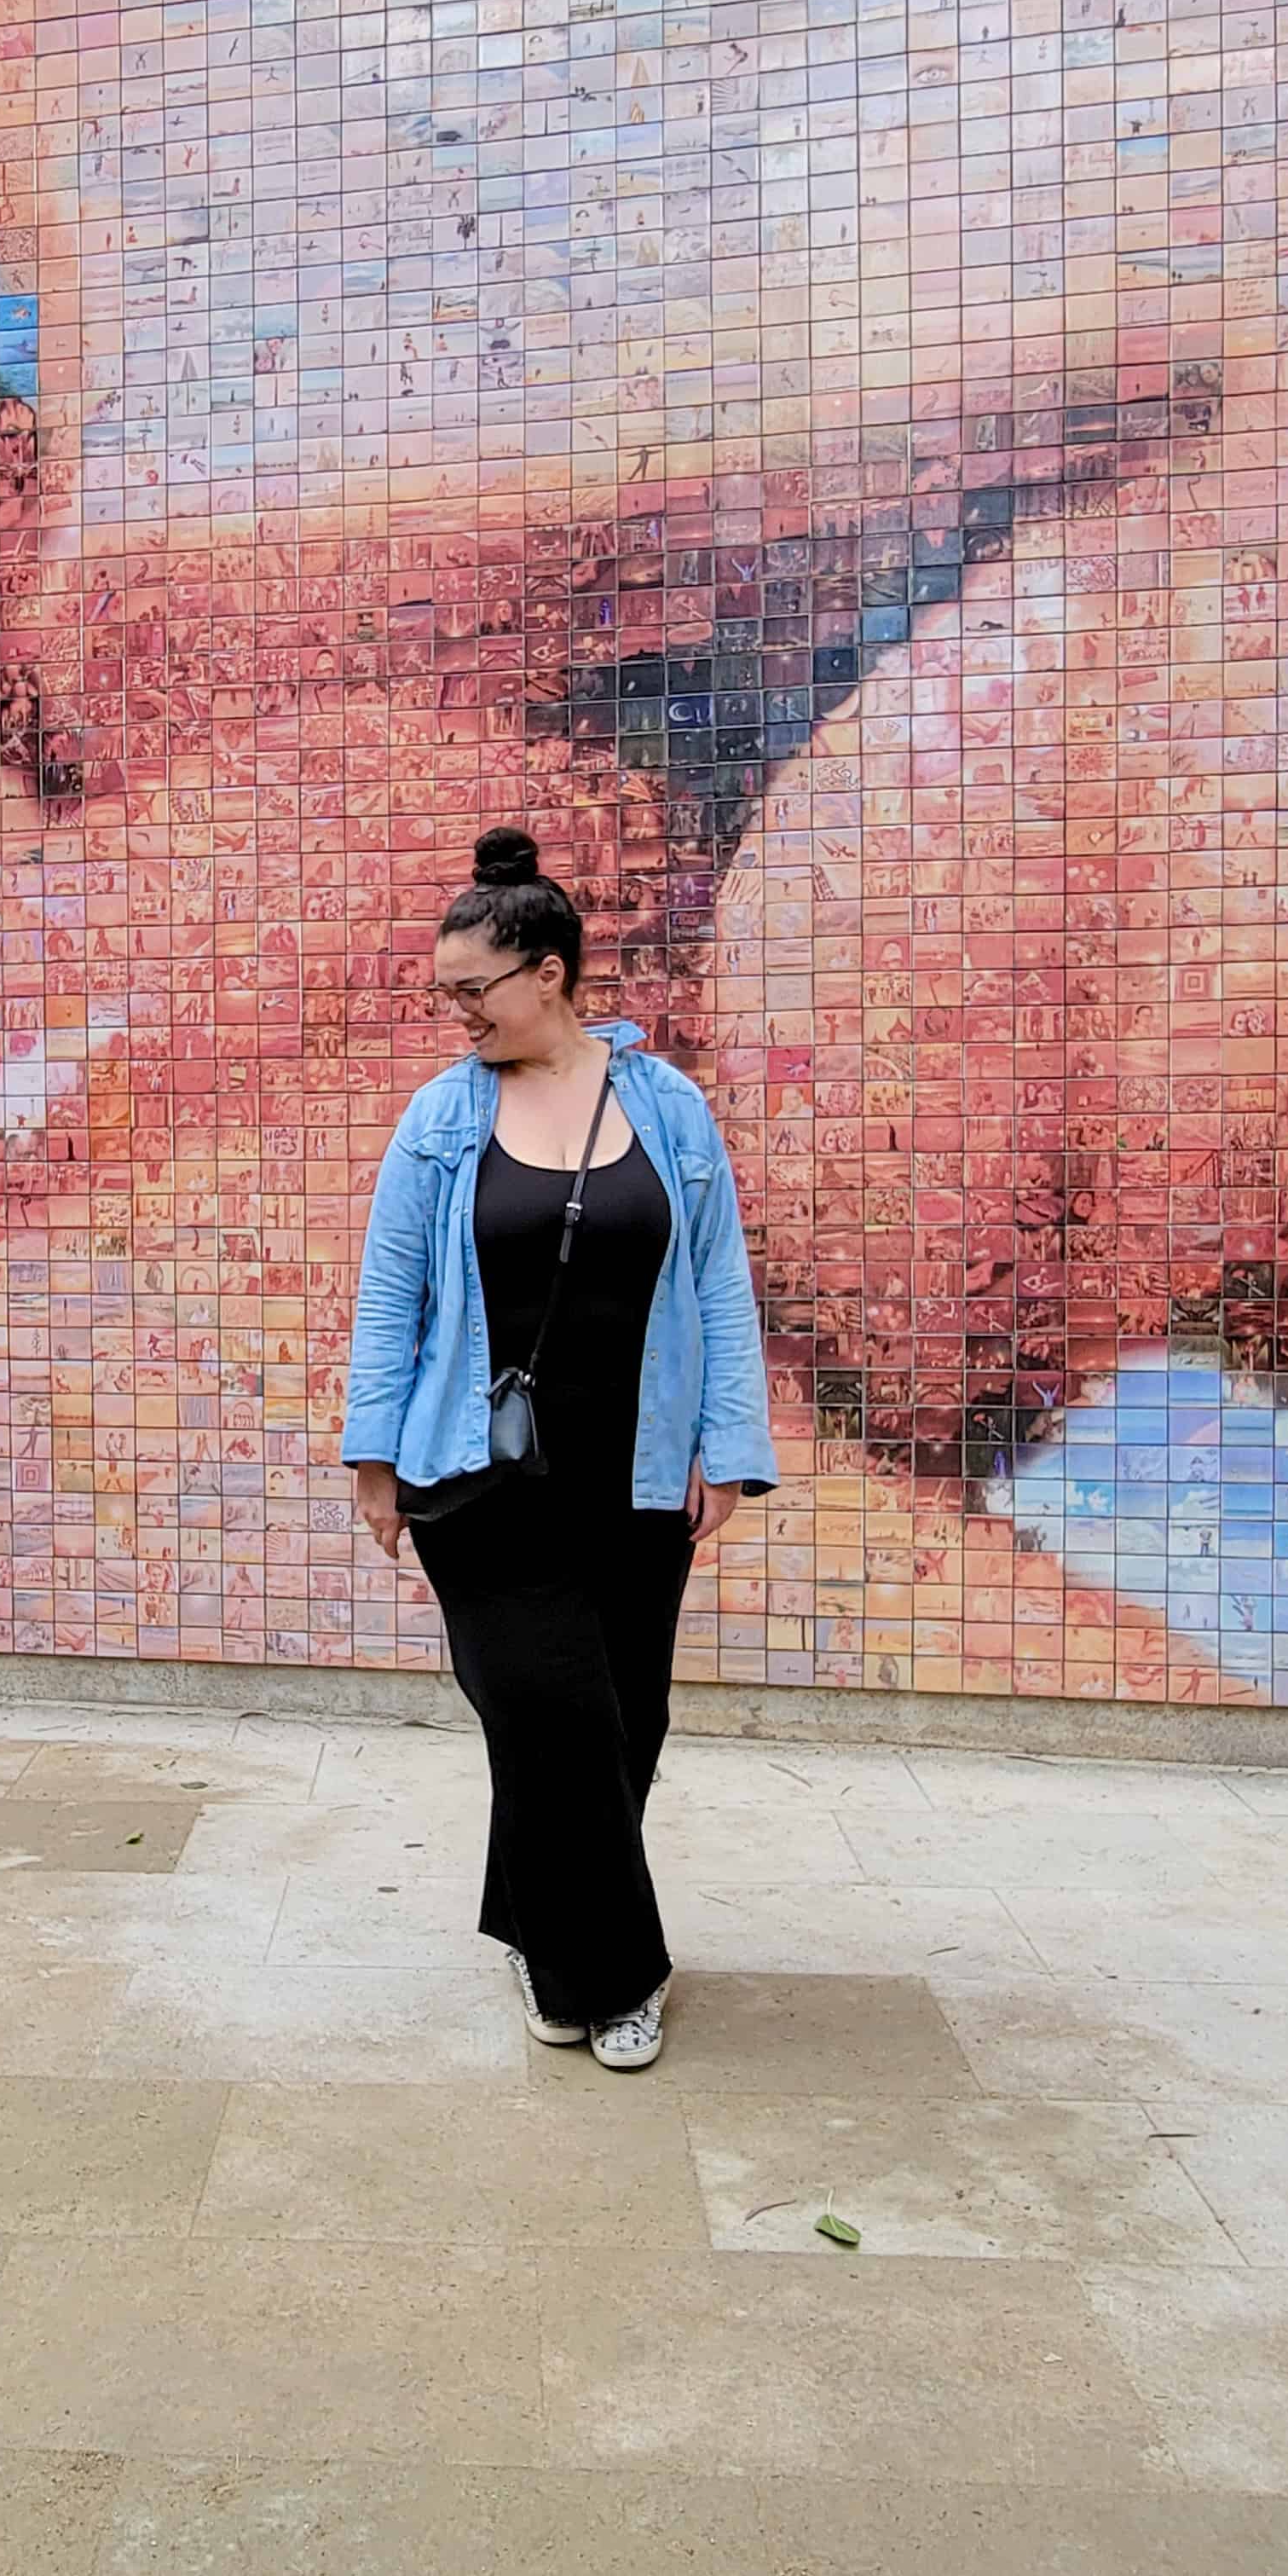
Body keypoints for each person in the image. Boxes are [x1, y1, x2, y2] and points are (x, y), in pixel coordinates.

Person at [343, 828, 778, 2069]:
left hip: (634, 1476)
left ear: (548, 972)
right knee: (553, 1715)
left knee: (620, 1726)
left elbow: (719, 1284)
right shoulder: (439, 1118)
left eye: (471, 989)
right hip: (478, 1483)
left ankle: (538, 1920)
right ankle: (616, 1973)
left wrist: (727, 1447)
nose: (455, 1012)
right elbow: (392, 1297)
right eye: (445, 993)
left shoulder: (667, 1105)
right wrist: (374, 1461)